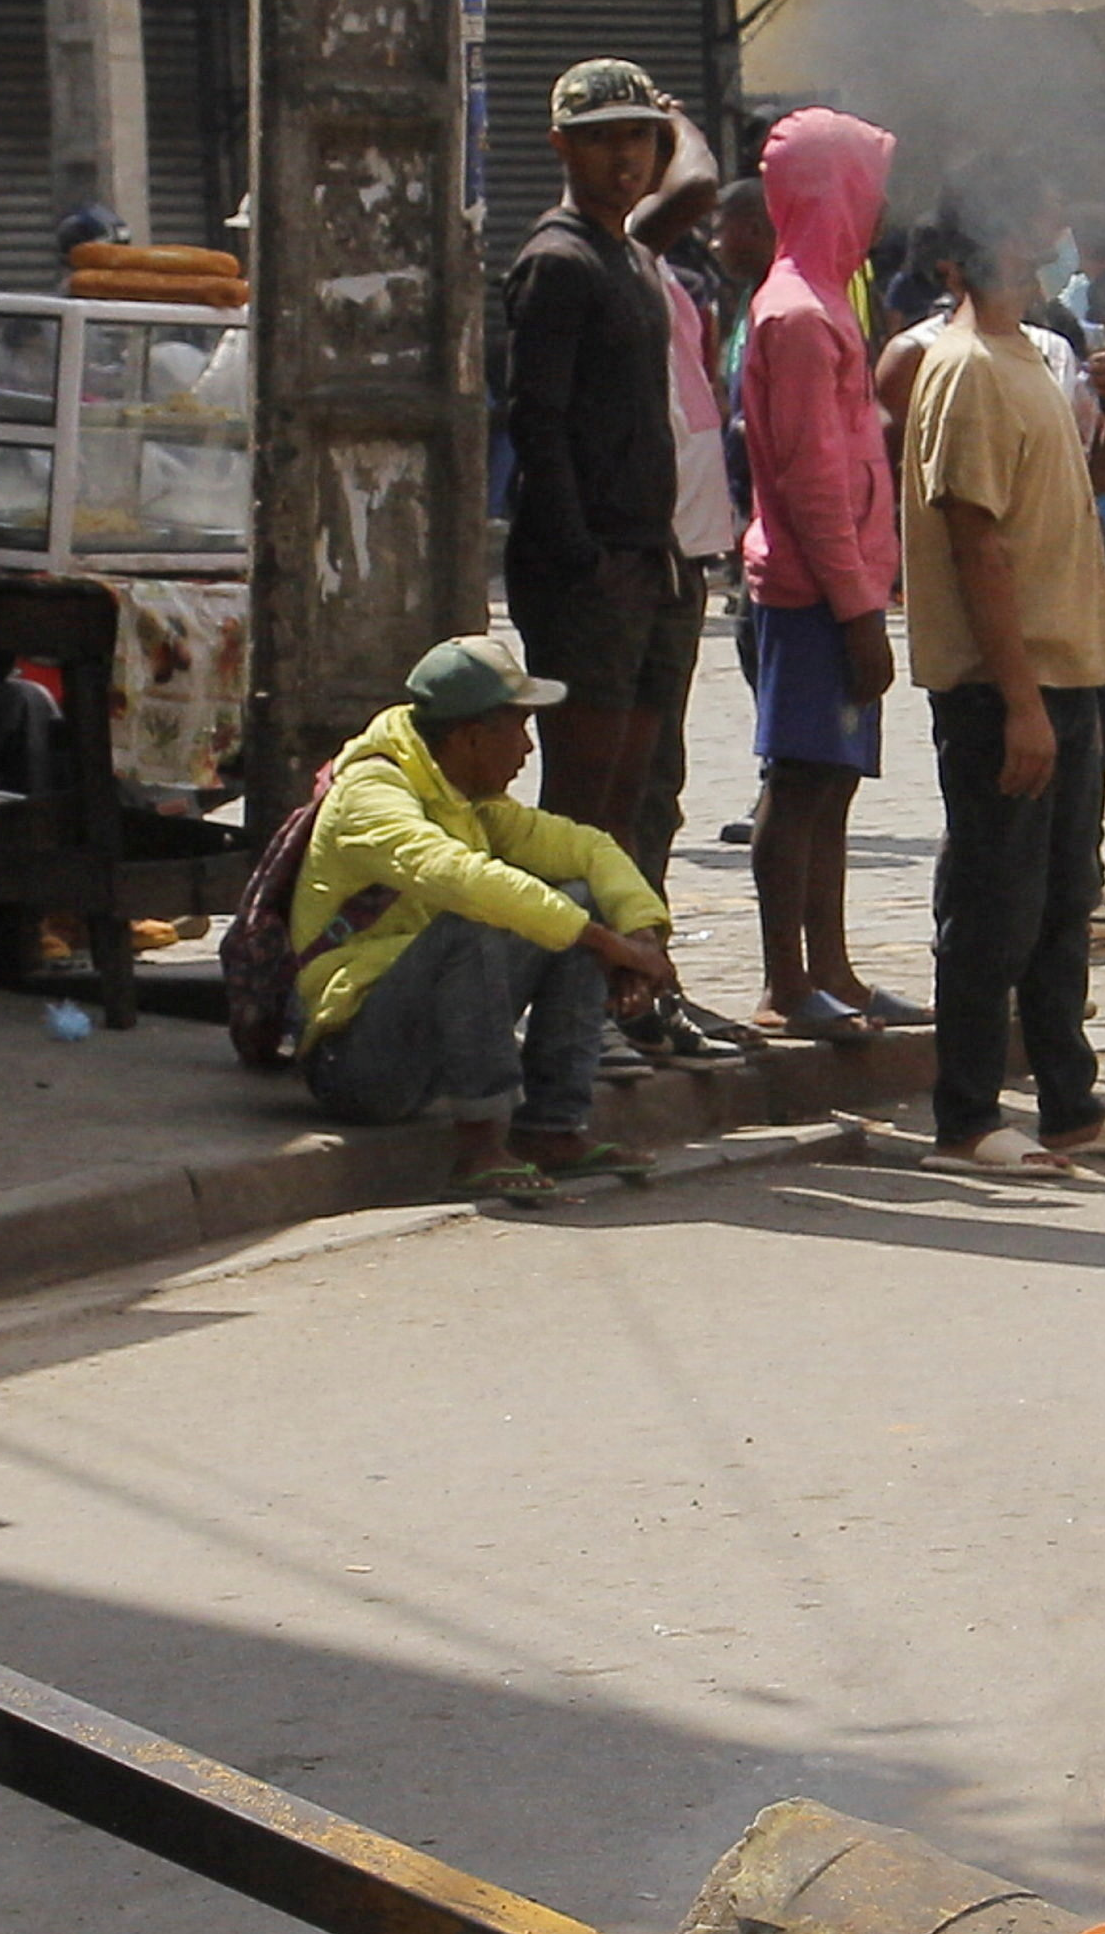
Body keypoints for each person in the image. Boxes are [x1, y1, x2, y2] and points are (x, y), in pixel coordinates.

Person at [907, 215, 1105, 1173]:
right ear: (964, 261)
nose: (1041, 248)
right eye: (1021, 234)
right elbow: (974, 540)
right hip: (1004, 685)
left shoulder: (1034, 355)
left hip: (1075, 672)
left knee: (1065, 902)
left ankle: (1070, 1102)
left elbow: (1099, 484)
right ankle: (968, 1116)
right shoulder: (966, 366)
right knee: (994, 906)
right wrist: (1019, 700)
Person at [287, 631, 683, 1194]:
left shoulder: (464, 795)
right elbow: (462, 878)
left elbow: (590, 849)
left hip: (431, 1046)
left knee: (579, 899)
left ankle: (552, 1128)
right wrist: (605, 944)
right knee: (479, 921)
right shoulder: (371, 793)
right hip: (355, 1063)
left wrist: (641, 938)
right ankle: (479, 1147)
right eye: (519, 729)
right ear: (472, 738)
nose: (526, 750)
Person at [500, 60, 723, 878]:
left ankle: (621, 985)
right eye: (600, 140)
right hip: (588, 573)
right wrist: (585, 559)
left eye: (639, 136)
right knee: (583, 803)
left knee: (636, 794)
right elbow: (535, 423)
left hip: (647, 556)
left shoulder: (628, 251)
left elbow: (695, 182)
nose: (624, 158)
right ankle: (564, 993)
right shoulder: (559, 262)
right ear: (561, 146)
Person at [734, 110, 906, 1040]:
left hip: (843, 590)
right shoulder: (798, 313)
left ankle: (830, 966)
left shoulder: (830, 297)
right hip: (813, 596)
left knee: (834, 782)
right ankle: (784, 981)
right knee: (798, 780)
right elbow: (809, 475)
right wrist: (856, 609)